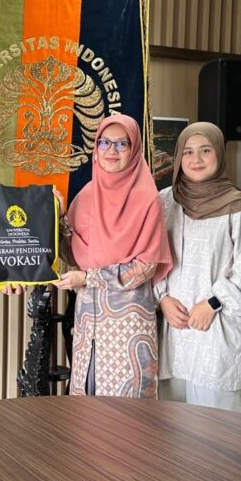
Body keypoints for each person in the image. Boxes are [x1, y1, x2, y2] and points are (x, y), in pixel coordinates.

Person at [56, 114, 172, 397]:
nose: (112, 150)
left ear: (134, 151)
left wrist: (88, 277)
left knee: (126, 409)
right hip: (87, 321)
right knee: (86, 400)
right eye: (105, 142)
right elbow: (70, 257)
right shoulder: (86, 195)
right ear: (96, 148)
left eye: (122, 144)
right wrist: (57, 217)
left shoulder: (147, 200)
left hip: (128, 326)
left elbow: (145, 267)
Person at [155, 123, 241, 411]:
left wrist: (213, 303)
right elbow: (152, 257)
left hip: (216, 327)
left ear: (219, 154)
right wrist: (162, 299)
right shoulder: (165, 202)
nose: (197, 159)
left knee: (217, 421)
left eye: (206, 150)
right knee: (172, 417)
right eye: (188, 152)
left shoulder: (237, 206)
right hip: (174, 327)